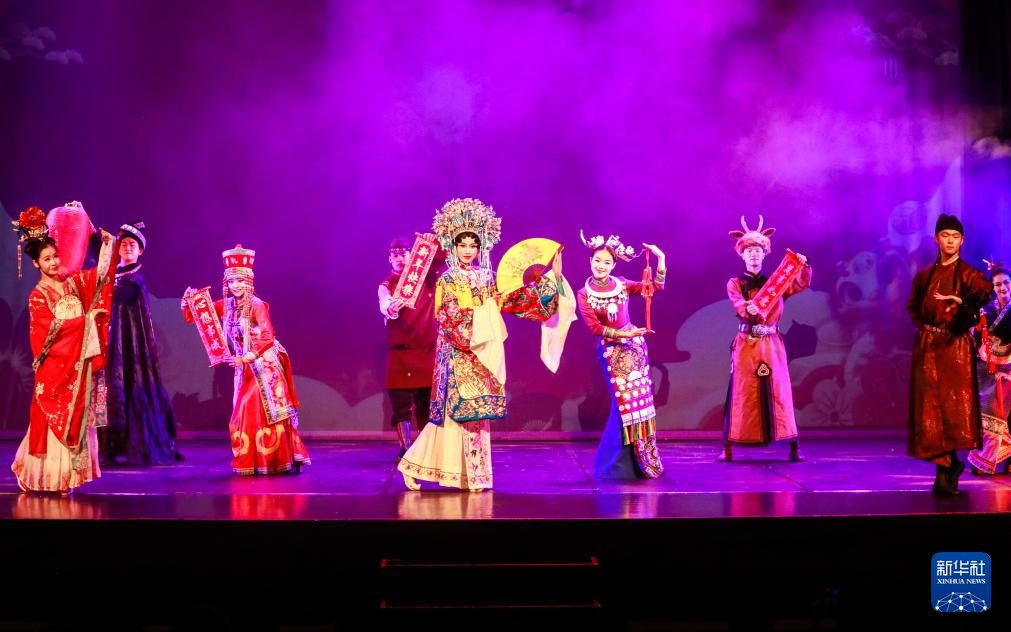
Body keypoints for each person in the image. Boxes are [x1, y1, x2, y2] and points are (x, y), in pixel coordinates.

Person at [398, 198, 567, 491]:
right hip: (459, 353)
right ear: (452, 246)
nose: (467, 250)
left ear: (481, 247)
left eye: (473, 245)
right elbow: (449, 317)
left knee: (476, 416)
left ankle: (469, 475)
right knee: (453, 417)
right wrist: (484, 313)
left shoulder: (488, 277)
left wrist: (550, 280)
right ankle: (418, 465)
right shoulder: (447, 280)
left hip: (484, 351)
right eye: (462, 245)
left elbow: (515, 300)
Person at [10, 206, 117, 492]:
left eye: (55, 256)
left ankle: (67, 478)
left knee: (77, 416)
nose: (54, 262)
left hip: (76, 364)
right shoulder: (38, 296)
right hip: (55, 369)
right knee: (51, 419)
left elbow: (101, 278)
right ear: (36, 264)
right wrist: (86, 322)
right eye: (47, 259)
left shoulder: (72, 283)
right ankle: (42, 476)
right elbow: (48, 333)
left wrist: (104, 244)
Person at [181, 245, 310, 475]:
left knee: (254, 410)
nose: (236, 286)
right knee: (242, 414)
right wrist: (188, 302)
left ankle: (272, 459)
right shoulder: (228, 305)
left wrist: (247, 357)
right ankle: (254, 460)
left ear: (249, 281)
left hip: (264, 363)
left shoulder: (257, 305)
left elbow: (268, 335)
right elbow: (201, 318)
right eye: (231, 281)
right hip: (243, 367)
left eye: (240, 280)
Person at [907, 213, 990, 495]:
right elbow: (913, 308)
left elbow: (984, 292)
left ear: (962, 240)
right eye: (945, 236)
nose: (950, 241)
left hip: (955, 349)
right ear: (936, 239)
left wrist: (962, 302)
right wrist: (928, 331)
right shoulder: (924, 277)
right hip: (928, 348)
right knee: (928, 411)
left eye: (955, 236)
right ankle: (948, 466)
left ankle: (946, 471)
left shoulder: (969, 275)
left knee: (952, 409)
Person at [575, 232, 666, 479]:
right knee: (623, 406)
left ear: (613, 265)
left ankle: (641, 462)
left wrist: (660, 259)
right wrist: (623, 334)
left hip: (635, 348)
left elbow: (654, 287)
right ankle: (614, 465)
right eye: (597, 260)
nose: (601, 266)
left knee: (641, 405)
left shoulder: (622, 284)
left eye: (606, 262)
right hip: (612, 350)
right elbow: (595, 327)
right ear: (590, 261)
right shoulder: (584, 293)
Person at [722, 216, 811, 462]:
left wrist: (803, 266)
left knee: (779, 390)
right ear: (742, 255)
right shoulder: (736, 283)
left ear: (764, 254)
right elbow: (738, 303)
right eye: (749, 250)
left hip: (772, 342)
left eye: (758, 250)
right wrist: (746, 307)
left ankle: (792, 445)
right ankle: (728, 446)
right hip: (747, 342)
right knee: (743, 390)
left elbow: (800, 284)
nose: (753, 254)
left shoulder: (777, 283)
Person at [101, 221, 181, 465]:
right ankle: (111, 447)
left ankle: (135, 444)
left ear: (140, 251)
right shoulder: (115, 275)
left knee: (131, 387)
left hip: (131, 346)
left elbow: (120, 294)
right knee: (111, 391)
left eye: (132, 245)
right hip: (111, 342)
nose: (127, 248)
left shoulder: (135, 279)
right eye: (123, 244)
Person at [378, 235, 445, 461]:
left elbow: (441, 258)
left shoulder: (426, 278)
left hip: (426, 349)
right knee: (400, 404)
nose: (399, 258)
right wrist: (391, 308)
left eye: (403, 254)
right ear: (389, 259)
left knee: (426, 403)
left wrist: (433, 241)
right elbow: (384, 304)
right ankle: (406, 449)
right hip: (401, 351)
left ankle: (427, 450)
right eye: (394, 255)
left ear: (412, 256)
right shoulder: (386, 285)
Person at [967, 260, 1011, 475]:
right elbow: (975, 335)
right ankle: (984, 458)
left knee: (1008, 415)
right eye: (998, 284)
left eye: (1006, 282)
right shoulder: (985, 311)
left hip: (1009, 368)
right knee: (989, 411)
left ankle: (1008, 457)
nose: (1003, 287)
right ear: (993, 287)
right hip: (987, 369)